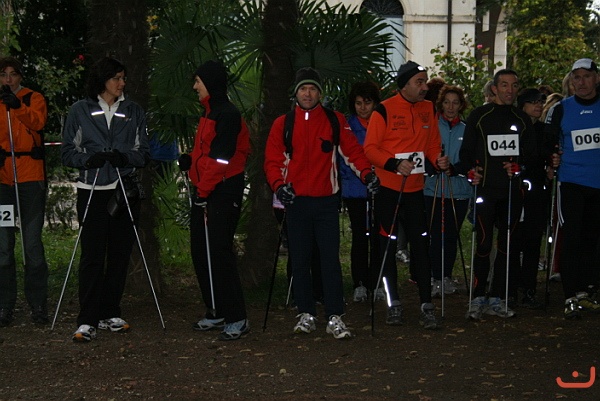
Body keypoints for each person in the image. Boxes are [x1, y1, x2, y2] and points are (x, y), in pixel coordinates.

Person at [264, 67, 380, 339]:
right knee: (299, 260)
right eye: (303, 89)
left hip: (327, 201)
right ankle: (306, 313)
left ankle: (335, 316)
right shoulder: (283, 123)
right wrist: (279, 187)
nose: (308, 94)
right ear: (296, 93)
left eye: (313, 89)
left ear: (320, 93)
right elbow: (272, 161)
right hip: (296, 202)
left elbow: (352, 152)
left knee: (330, 260)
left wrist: (367, 175)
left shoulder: (334, 120)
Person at [62, 57, 149, 342]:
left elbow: (143, 153)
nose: (122, 83)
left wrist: (125, 158)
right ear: (103, 80)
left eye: (123, 78)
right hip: (92, 189)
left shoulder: (133, 110)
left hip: (123, 189)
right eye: (116, 78)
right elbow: (67, 152)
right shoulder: (80, 110)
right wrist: (90, 160)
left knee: (120, 254)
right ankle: (87, 319)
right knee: (92, 255)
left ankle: (110, 311)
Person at [364, 60, 450, 329]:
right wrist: (393, 163)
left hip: (415, 190)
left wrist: (438, 160)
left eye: (425, 81)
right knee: (387, 247)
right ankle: (394, 304)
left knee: (421, 247)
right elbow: (370, 148)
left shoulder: (428, 109)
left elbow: (433, 144)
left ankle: (426, 304)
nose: (424, 87)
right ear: (404, 85)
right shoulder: (384, 109)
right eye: (419, 82)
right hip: (389, 189)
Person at [178, 60, 251, 340]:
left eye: (198, 81)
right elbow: (206, 152)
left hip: (222, 191)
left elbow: (221, 159)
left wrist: (203, 192)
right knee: (201, 251)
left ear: (210, 83)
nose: (195, 87)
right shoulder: (209, 112)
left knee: (219, 252)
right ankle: (216, 310)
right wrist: (190, 161)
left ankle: (237, 317)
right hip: (206, 190)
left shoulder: (228, 114)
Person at [460, 69, 536, 320]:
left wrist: (519, 166)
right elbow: (466, 153)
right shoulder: (479, 116)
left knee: (507, 245)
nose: (509, 90)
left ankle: (497, 296)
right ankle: (477, 296)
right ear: (494, 88)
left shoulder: (522, 118)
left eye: (514, 85)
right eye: (504, 85)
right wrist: (472, 171)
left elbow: (530, 154)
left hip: (512, 192)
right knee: (483, 244)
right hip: (485, 191)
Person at [545, 58, 600, 319]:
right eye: (577, 77)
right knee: (572, 237)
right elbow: (548, 142)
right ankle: (570, 295)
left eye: (586, 76)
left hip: (598, 184)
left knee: (592, 238)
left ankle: (586, 290)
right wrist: (552, 158)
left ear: (596, 78)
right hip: (571, 183)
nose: (581, 82)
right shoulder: (561, 109)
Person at [0, 56, 48, 327]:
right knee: (3, 245)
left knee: (32, 244)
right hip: (3, 181)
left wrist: (17, 106)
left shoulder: (33, 98)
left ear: (20, 76)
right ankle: (5, 304)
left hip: (30, 178)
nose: (8, 79)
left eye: (13, 74)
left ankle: (38, 303)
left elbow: (38, 123)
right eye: (3, 74)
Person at [424, 85, 471, 297]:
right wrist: (433, 166)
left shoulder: (466, 128)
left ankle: (446, 276)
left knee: (451, 235)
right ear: (440, 104)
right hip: (432, 189)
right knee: (435, 235)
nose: (451, 107)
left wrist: (456, 169)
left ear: (461, 105)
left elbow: (470, 158)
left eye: (455, 103)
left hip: (458, 190)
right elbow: (424, 152)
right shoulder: (432, 126)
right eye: (447, 102)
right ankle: (435, 277)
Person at [340, 81, 381, 302]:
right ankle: (360, 283)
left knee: (378, 236)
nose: (363, 108)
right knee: (359, 236)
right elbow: (343, 159)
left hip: (380, 187)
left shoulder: (381, 123)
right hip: (355, 189)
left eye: (367, 102)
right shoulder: (347, 126)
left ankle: (377, 282)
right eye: (358, 103)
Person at [514, 88, 550, 309]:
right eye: (533, 102)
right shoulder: (514, 129)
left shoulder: (545, 130)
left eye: (541, 102)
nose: (538, 105)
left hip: (537, 191)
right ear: (523, 105)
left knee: (533, 240)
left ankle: (529, 288)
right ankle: (510, 286)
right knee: (514, 238)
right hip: (515, 189)